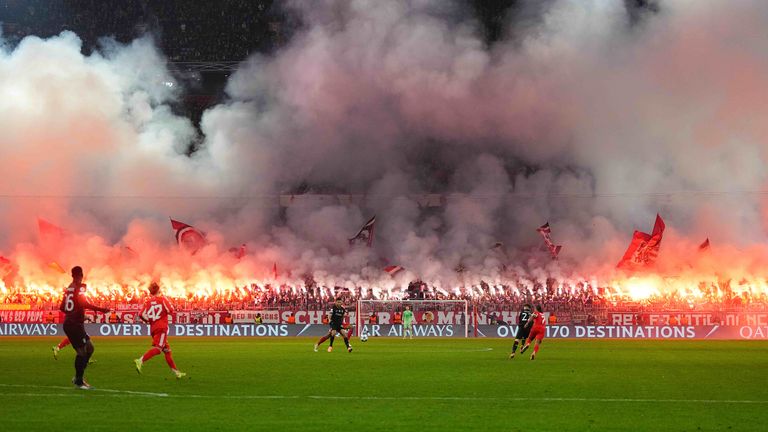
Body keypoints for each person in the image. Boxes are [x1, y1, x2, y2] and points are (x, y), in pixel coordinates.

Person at [59, 266, 110, 389]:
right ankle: (79, 381)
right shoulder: (80, 287)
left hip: (72, 323)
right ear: (81, 275)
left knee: (90, 348)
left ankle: (78, 377)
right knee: (82, 353)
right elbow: (83, 303)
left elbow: (62, 307)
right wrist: (102, 310)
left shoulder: (68, 289)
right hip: (74, 325)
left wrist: (77, 314)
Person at [134, 282, 186, 379]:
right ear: (159, 290)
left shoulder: (147, 302)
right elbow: (171, 309)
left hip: (153, 328)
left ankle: (177, 373)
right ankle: (140, 360)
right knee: (158, 349)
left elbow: (140, 314)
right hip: (161, 328)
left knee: (167, 351)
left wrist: (149, 320)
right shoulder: (162, 299)